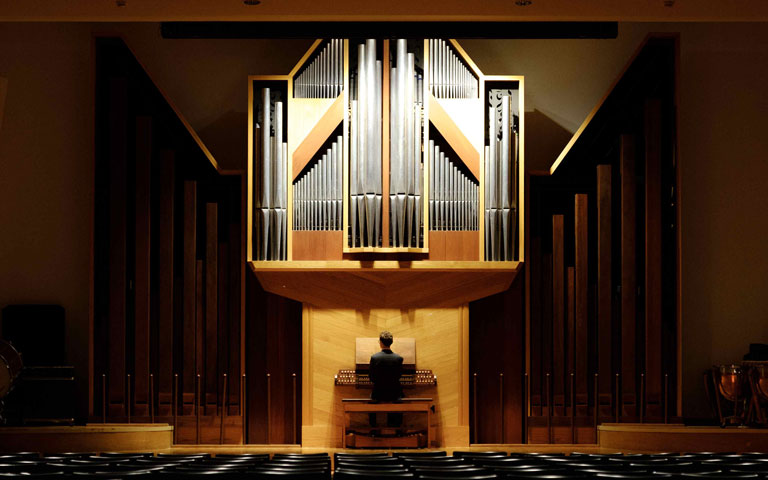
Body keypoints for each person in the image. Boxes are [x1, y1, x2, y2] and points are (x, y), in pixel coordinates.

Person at [369, 330, 404, 428]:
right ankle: (396, 429)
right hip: (394, 393)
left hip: (378, 393)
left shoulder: (375, 358)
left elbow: (371, 377)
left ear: (380, 342)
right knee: (399, 400)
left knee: (370, 401)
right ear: (391, 342)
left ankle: (373, 429)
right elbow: (399, 376)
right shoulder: (398, 358)